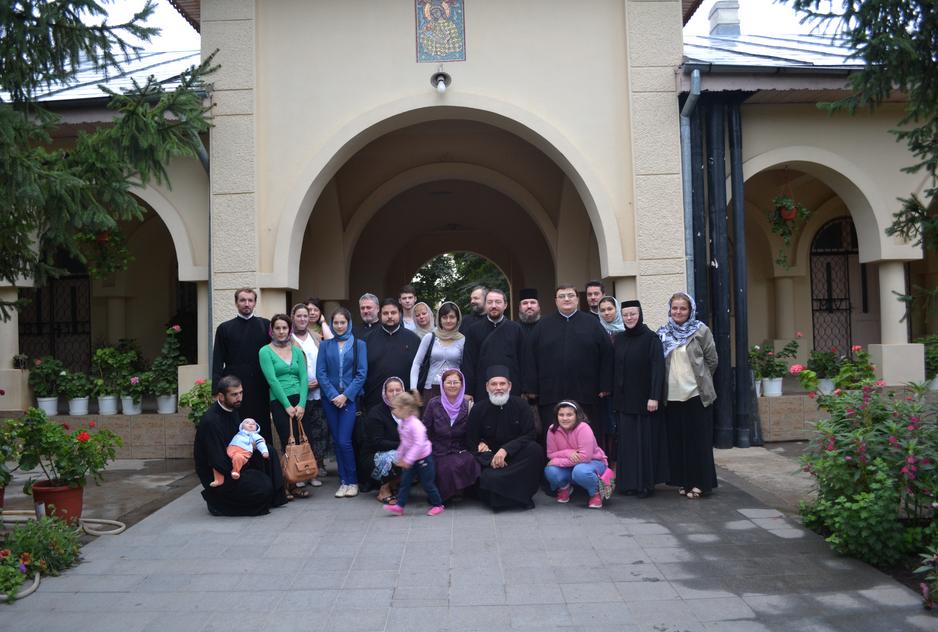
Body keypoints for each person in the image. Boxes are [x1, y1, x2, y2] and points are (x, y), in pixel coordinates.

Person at [523, 284, 613, 444]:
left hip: (586, 392)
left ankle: (588, 466)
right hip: (551, 392)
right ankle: (554, 466)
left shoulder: (592, 324)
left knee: (587, 436)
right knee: (553, 436)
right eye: (562, 296)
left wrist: (605, 385)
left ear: (577, 299)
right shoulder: (542, 326)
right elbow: (529, 358)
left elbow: (607, 355)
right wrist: (531, 389)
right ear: (555, 301)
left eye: (570, 295)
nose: (566, 299)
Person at [194, 376, 286, 516]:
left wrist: (253, 448)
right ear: (221, 396)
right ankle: (217, 502)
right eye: (234, 394)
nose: (239, 398)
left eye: (241, 393)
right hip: (220, 474)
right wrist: (244, 467)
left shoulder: (232, 410)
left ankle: (273, 497)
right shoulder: (211, 421)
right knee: (263, 487)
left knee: (269, 451)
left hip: (237, 460)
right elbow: (216, 460)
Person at [657, 292, 718, 499]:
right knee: (679, 441)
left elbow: (712, 361)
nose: (678, 312)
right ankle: (685, 481)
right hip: (672, 396)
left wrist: (701, 380)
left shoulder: (701, 331)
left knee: (698, 442)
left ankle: (701, 483)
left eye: (683, 308)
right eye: (675, 308)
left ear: (690, 310)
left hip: (696, 395)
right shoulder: (663, 333)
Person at [466, 366, 545, 510]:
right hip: (490, 461)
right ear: (487, 387)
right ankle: (511, 498)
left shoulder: (521, 405)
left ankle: (516, 496)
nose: (498, 388)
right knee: (489, 478)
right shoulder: (478, 409)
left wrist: (505, 450)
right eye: (494, 384)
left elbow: (530, 434)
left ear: (509, 386)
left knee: (535, 450)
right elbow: (471, 442)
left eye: (502, 384)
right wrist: (488, 456)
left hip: (515, 457)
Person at [613, 300, 669, 498]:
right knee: (627, 444)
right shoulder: (619, 339)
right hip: (624, 402)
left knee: (644, 444)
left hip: (646, 401)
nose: (629, 318)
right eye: (626, 314)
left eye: (633, 314)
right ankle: (628, 484)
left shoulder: (651, 338)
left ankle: (645, 485)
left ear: (640, 315)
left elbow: (658, 370)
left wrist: (654, 397)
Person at [317, 307, 368, 498]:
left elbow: (362, 373)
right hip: (330, 400)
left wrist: (345, 396)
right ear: (331, 324)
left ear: (349, 323)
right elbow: (320, 373)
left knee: (345, 441)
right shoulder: (325, 345)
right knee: (337, 442)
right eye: (336, 323)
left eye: (342, 322)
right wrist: (333, 395)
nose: (339, 326)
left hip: (349, 399)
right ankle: (343, 481)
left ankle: (352, 481)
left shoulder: (359, 345)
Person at [258, 313, 309, 500]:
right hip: (280, 402)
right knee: (287, 443)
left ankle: (295, 483)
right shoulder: (265, 351)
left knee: (299, 442)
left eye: (284, 328)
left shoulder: (296, 350)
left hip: (300, 401)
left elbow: (304, 377)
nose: (281, 331)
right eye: (277, 328)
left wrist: (302, 404)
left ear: (290, 330)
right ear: (272, 330)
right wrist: (287, 405)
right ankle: (284, 485)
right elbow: (272, 380)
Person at [211, 288, 272, 440]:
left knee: (261, 427)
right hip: (234, 388)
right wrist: (216, 390)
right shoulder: (224, 328)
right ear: (236, 303)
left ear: (255, 303)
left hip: (260, 387)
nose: (246, 304)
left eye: (250, 300)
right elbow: (217, 361)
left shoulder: (266, 326)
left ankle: (263, 461)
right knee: (235, 427)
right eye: (243, 300)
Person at [383, 391, 445, 517]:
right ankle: (400, 506)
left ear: (404, 409)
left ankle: (438, 505)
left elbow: (419, 444)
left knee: (428, 483)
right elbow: (404, 443)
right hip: (410, 460)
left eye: (395, 408)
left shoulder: (416, 425)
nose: (393, 410)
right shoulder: (402, 424)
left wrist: (408, 460)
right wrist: (400, 456)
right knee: (405, 483)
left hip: (424, 459)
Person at [422, 368, 480, 502]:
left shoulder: (468, 406)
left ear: (462, 384)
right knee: (443, 466)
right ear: (442, 385)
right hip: (438, 450)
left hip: (460, 449)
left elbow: (474, 432)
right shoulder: (433, 404)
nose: (452, 386)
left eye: (456, 382)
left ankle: (457, 490)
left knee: (469, 461)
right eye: (449, 382)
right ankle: (447, 494)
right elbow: (424, 429)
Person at [462, 288, 525, 400]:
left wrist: (525, 389)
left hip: (512, 389)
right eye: (490, 302)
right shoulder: (473, 330)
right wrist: (468, 390)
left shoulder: (516, 329)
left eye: (498, 302)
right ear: (485, 305)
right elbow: (468, 362)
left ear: (505, 305)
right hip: (482, 388)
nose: (493, 306)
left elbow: (524, 360)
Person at [544, 401, 609, 509]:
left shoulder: (583, 428)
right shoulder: (552, 429)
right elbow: (550, 454)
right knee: (550, 470)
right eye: (561, 415)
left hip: (593, 462)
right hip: (572, 464)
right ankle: (565, 488)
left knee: (580, 470)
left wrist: (557, 461)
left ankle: (596, 493)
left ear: (577, 415)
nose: (565, 418)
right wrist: (568, 453)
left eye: (569, 415)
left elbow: (585, 457)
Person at [291, 302, 328, 486]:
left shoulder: (316, 337)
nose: (303, 319)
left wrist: (320, 381)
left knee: (318, 432)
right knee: (301, 433)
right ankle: (300, 471)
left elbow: (325, 360)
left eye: (305, 316)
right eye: (299, 316)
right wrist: (305, 386)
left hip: (319, 392)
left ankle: (314, 469)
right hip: (300, 395)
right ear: (293, 318)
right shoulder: (287, 340)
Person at [362, 298, 421, 409]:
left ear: (400, 314)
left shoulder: (413, 339)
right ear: (380, 315)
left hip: (405, 403)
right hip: (374, 402)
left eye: (393, 313)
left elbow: (420, 370)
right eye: (385, 313)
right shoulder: (367, 340)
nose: (389, 316)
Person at [409, 301, 465, 402]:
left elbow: (466, 367)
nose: (448, 320)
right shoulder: (430, 337)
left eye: (452, 317)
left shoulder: (462, 340)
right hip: (431, 389)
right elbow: (417, 363)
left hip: (455, 389)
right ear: (439, 319)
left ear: (458, 319)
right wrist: (414, 388)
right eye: (444, 317)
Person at [362, 377, 404, 503]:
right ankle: (384, 490)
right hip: (374, 454)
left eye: (398, 390)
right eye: (391, 391)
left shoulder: (407, 410)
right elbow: (377, 443)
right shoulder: (376, 413)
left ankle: (394, 484)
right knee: (402, 456)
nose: (395, 394)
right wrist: (404, 445)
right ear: (385, 393)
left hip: (397, 449)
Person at [595, 295, 624, 458]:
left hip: (624, 389)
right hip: (604, 391)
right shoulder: (597, 331)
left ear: (617, 310)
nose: (606, 313)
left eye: (610, 309)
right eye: (603, 310)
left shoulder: (627, 332)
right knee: (608, 429)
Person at [211, 418, 269, 487]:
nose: (250, 424)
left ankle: (235, 471)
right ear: (242, 426)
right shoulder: (239, 433)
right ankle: (218, 479)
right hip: (230, 450)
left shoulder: (255, 435)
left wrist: (264, 451)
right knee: (218, 460)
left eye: (253, 424)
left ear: (256, 428)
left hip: (243, 453)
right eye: (247, 422)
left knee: (238, 458)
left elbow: (260, 443)